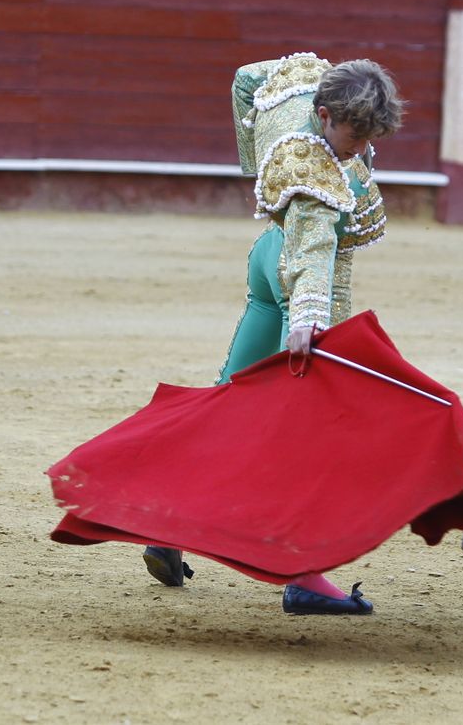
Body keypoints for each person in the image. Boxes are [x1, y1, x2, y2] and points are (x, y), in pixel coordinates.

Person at [139, 53, 403, 617]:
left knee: (226, 400)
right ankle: (303, 575)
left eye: (369, 135)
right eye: (353, 134)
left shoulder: (303, 86)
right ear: (325, 114)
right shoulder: (311, 167)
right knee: (307, 430)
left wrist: (255, 170)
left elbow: (245, 79)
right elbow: (312, 248)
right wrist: (308, 318)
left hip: (265, 258)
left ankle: (167, 523)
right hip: (303, 280)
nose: (358, 147)